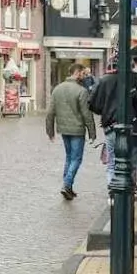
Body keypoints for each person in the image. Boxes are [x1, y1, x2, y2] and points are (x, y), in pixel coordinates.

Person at [87, 45, 137, 210]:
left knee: (113, 162)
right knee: (135, 162)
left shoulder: (105, 80)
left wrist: (106, 112)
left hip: (112, 127)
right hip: (134, 127)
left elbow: (92, 103)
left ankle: (114, 195)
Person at [45, 64, 96, 200]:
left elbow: (50, 112)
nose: (85, 76)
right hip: (77, 130)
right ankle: (66, 184)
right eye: (83, 74)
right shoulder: (81, 91)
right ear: (77, 73)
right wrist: (92, 132)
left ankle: (69, 187)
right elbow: (86, 114)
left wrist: (50, 131)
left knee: (69, 157)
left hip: (64, 129)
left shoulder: (57, 89)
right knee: (76, 159)